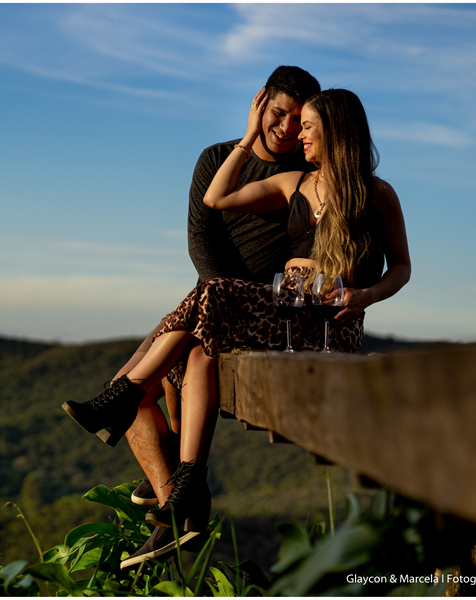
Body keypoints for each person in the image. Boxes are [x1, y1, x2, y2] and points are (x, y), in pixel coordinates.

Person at [63, 87, 411, 568]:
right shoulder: (297, 183)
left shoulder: (378, 193)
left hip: (330, 324)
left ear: (336, 131)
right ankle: (186, 481)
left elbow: (402, 269)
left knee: (216, 290)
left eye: (308, 126)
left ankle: (126, 393)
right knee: (205, 341)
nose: (299, 135)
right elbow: (217, 196)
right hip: (281, 307)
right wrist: (247, 138)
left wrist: (365, 295)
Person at [112, 66, 321, 512]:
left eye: (297, 120)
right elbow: (200, 237)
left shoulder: (307, 176)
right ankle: (178, 501)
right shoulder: (217, 158)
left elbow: (312, 253)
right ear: (260, 103)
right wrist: (217, 297)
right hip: (208, 297)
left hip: (261, 309)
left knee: (151, 382)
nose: (286, 129)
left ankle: (179, 505)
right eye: (278, 113)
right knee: (126, 393)